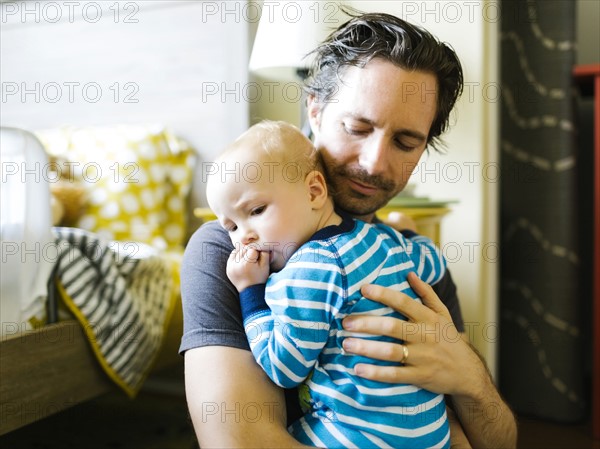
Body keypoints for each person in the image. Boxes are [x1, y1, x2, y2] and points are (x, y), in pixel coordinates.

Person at [180, 11, 517, 449]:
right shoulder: (234, 253)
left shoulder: (409, 259)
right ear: (315, 110)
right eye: (358, 127)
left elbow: (499, 441)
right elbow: (241, 443)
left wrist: (471, 379)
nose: (375, 162)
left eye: (405, 142)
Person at [206, 120, 451, 448]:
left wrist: (251, 293)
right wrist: (406, 233)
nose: (245, 236)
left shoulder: (303, 274)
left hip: (357, 436)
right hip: (430, 433)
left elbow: (284, 367)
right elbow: (434, 262)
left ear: (314, 192)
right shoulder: (385, 241)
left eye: (257, 210)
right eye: (231, 227)